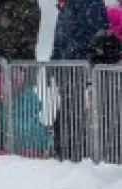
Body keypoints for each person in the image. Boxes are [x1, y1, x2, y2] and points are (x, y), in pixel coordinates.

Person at [51, 0, 109, 161]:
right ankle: (67, 153)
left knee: (77, 113)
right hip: (67, 67)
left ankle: (79, 154)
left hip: (81, 67)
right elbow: (59, 39)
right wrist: (54, 62)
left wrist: (74, 55)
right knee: (69, 112)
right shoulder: (66, 7)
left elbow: (92, 32)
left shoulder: (88, 4)